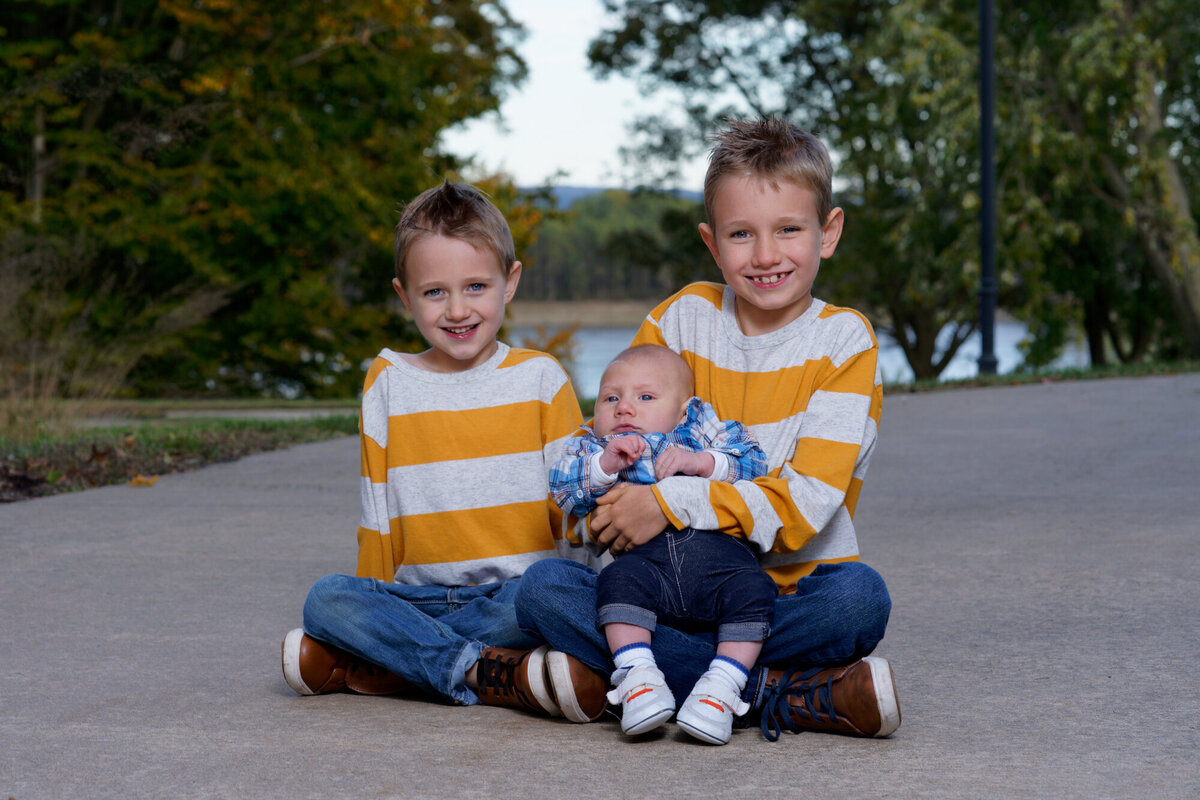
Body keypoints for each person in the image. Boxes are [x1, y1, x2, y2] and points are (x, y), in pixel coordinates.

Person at [515, 118, 901, 741]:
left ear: (828, 233)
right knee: (540, 590)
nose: (767, 255)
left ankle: (634, 675)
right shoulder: (676, 321)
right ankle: (785, 691)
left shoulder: (843, 343)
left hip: (782, 590)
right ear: (713, 243)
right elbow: (610, 463)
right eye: (742, 234)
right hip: (659, 582)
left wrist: (670, 500)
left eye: (789, 230)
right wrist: (622, 499)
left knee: (858, 599)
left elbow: (802, 507)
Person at [280, 181, 607, 723]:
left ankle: (393, 662)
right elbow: (376, 509)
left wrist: (578, 586)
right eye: (434, 293)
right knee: (328, 599)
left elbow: (572, 504)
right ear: (404, 296)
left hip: (513, 599)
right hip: (418, 599)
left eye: (476, 286)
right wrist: (373, 600)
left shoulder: (540, 378)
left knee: (562, 595)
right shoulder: (389, 381)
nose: (458, 309)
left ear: (510, 283)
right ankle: (490, 673)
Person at [549, 344, 776, 744]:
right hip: (645, 573)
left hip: (721, 566)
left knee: (761, 591)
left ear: (684, 410)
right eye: (611, 398)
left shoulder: (699, 429)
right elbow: (564, 490)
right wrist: (605, 467)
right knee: (593, 585)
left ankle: (723, 686)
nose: (624, 408)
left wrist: (702, 463)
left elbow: (754, 463)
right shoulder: (594, 446)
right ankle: (638, 676)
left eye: (645, 397)